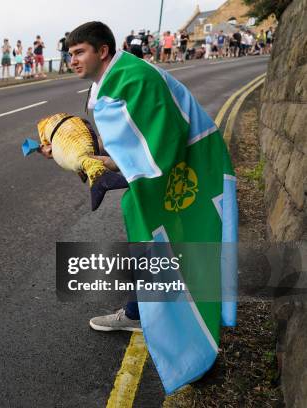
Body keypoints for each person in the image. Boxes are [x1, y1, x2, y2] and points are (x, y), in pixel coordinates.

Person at [62, 21, 237, 394]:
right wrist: (81, 158)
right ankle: (137, 311)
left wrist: (106, 170)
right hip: (175, 164)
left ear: (102, 51)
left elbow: (158, 148)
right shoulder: (111, 80)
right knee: (154, 242)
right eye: (70, 53)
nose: (71, 59)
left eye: (79, 52)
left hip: (191, 166)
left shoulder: (132, 80)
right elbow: (132, 145)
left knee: (175, 247)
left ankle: (196, 355)